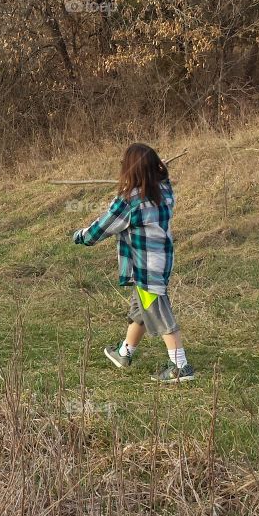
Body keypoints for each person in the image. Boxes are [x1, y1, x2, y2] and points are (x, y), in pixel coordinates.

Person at [71, 142, 193, 382]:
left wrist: (81, 236)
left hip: (146, 268)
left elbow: (101, 228)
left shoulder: (129, 201)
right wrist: (158, 173)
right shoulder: (164, 191)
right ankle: (124, 353)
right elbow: (161, 181)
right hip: (163, 262)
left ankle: (180, 367)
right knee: (140, 309)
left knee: (158, 312)